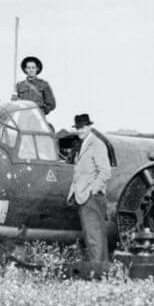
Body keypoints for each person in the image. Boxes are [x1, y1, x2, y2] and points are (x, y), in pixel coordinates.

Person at [66, 113, 112, 278]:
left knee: (94, 236)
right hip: (83, 196)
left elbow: (105, 172)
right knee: (93, 235)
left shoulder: (97, 144)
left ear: (89, 127)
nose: (80, 131)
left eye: (83, 127)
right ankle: (101, 271)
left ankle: (97, 272)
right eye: (78, 128)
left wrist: (92, 190)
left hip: (91, 197)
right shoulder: (84, 144)